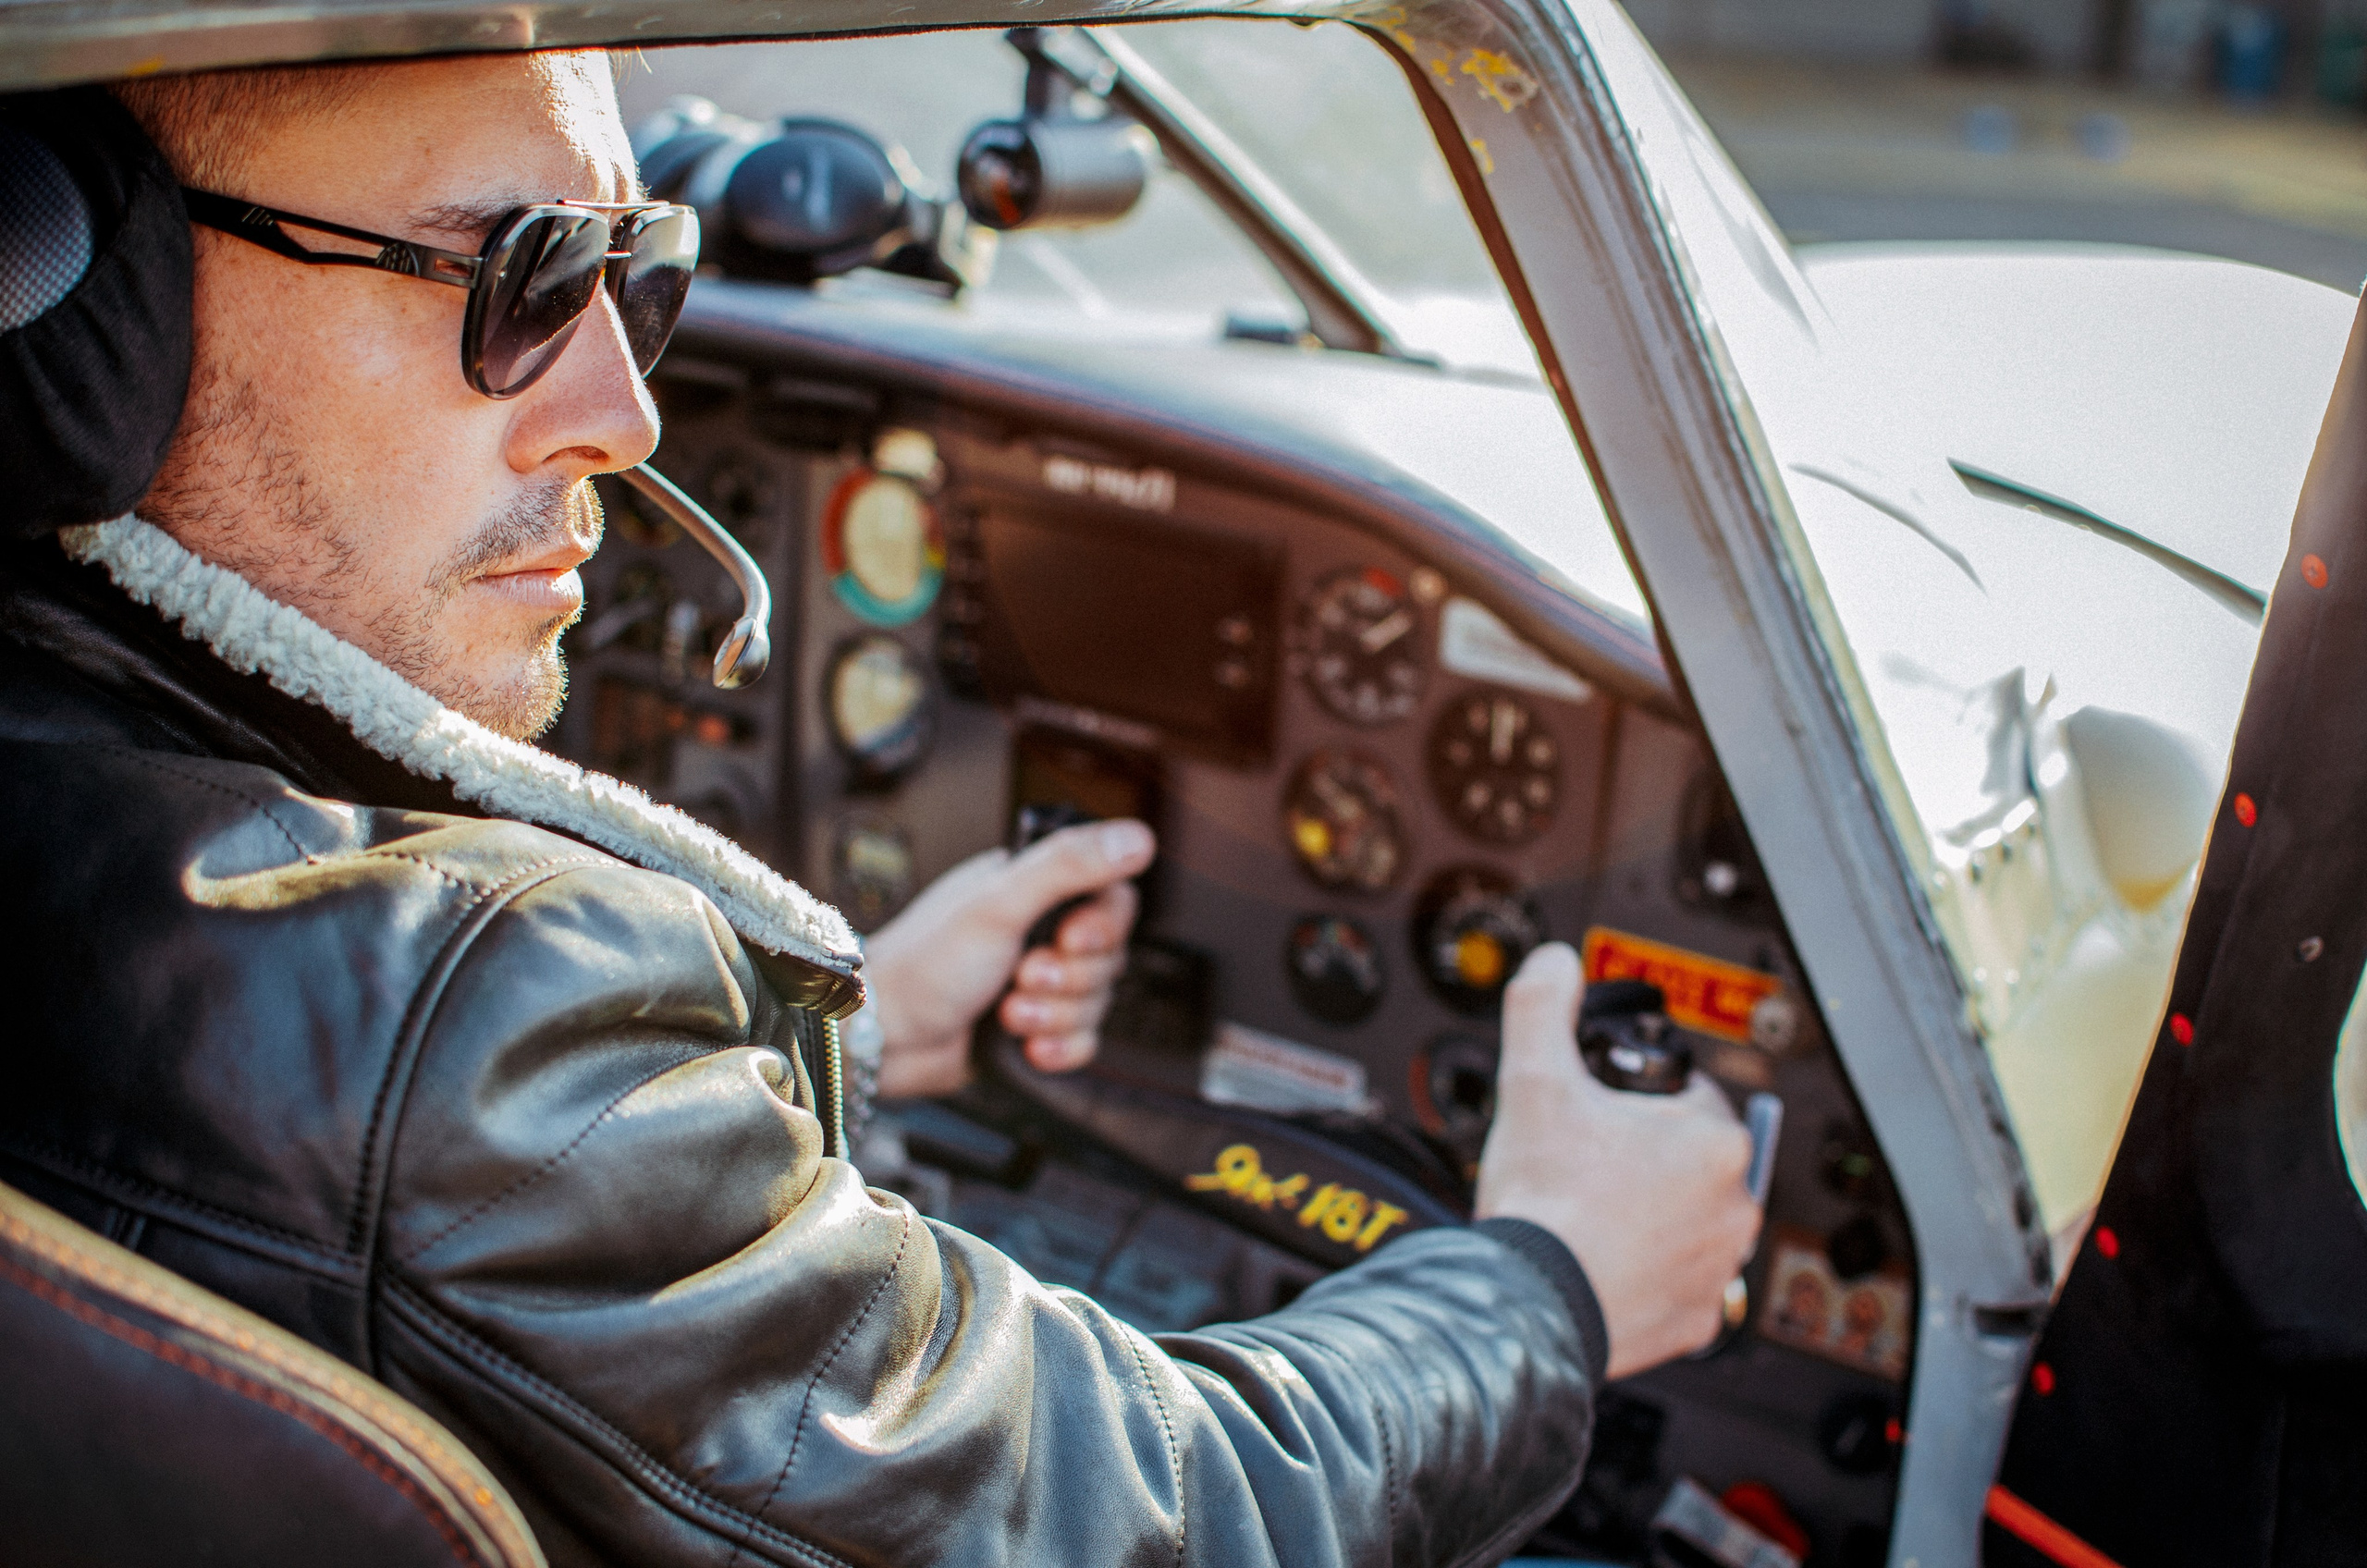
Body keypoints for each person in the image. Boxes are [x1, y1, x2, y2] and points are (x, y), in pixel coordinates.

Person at [0, 53, 1760, 1564]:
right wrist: (1553, 1282)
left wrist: (838, 1047)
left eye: (633, 274)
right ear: (70, 295)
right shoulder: (463, 1020)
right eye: (520, 276)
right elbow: (1161, 1521)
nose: (625, 415)